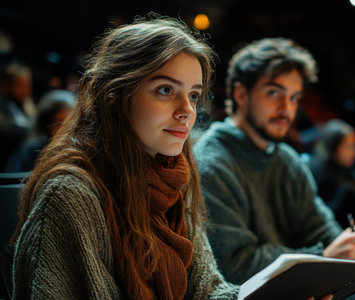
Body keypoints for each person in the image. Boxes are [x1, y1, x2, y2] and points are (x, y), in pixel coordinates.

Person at [9, 15, 239, 299]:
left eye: (193, 95)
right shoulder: (69, 196)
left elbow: (209, 290)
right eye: (166, 90)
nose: (187, 111)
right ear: (114, 96)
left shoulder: (172, 179)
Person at [194, 37, 355, 299]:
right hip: (268, 291)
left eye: (294, 98)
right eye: (274, 93)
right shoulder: (212, 162)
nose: (287, 109)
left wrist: (349, 242)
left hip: (310, 279)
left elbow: (320, 228)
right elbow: (235, 265)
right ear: (241, 94)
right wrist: (322, 256)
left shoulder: (287, 159)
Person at [309, 119, 355, 229]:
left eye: (354, 145)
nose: (354, 152)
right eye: (347, 146)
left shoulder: (349, 171)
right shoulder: (319, 172)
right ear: (333, 147)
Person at [5, 89, 76, 172]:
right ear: (46, 124)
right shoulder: (34, 150)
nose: (63, 128)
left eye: (68, 122)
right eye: (58, 123)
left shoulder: (77, 149)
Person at [0, 61, 36, 171]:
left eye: (28, 85)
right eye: (21, 85)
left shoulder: (24, 105)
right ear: (5, 86)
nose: (27, 91)